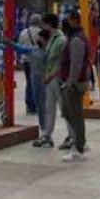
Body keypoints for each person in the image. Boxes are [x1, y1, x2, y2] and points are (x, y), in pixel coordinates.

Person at [58, 11, 90, 162]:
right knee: (67, 112)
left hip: (74, 84)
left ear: (74, 21)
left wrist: (70, 82)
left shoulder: (77, 39)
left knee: (75, 115)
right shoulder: (73, 37)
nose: (65, 24)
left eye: (68, 20)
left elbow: (76, 64)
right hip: (70, 82)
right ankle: (78, 141)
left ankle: (79, 147)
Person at [38, 14, 65, 148]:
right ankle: (47, 135)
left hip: (57, 79)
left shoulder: (60, 40)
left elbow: (62, 62)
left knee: (64, 109)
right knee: (50, 108)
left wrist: (51, 75)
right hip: (49, 79)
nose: (42, 26)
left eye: (43, 24)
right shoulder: (52, 39)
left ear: (49, 24)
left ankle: (72, 136)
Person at [17, 14, 43, 116]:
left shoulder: (23, 32)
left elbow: (19, 45)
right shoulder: (41, 33)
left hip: (26, 61)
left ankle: (29, 104)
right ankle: (36, 104)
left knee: (29, 82)